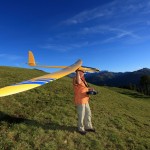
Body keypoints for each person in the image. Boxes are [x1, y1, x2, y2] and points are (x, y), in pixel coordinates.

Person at [73, 69, 96, 135]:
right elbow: (78, 82)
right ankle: (80, 128)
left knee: (88, 113)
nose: (83, 73)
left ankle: (88, 126)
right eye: (81, 72)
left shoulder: (83, 79)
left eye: (83, 72)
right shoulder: (76, 79)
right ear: (78, 72)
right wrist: (77, 71)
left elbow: (84, 87)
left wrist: (90, 89)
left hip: (85, 99)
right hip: (80, 100)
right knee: (81, 115)